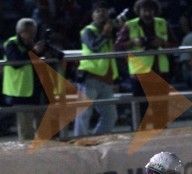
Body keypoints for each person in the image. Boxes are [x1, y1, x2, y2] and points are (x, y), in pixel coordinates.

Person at [115, 0, 177, 129]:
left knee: (161, 106)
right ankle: (138, 133)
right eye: (144, 9)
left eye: (150, 9)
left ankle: (161, 135)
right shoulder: (130, 25)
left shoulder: (162, 23)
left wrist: (162, 43)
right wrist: (133, 42)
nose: (147, 12)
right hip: (139, 72)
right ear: (138, 10)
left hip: (160, 70)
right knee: (140, 108)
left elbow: (175, 44)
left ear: (155, 10)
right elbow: (118, 47)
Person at [2, 18, 62, 140]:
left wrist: (48, 50)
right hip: (21, 92)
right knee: (26, 131)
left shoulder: (36, 43)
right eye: (28, 32)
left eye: (33, 32)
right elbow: (16, 62)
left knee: (44, 129)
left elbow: (59, 55)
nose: (31, 35)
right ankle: (27, 157)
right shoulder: (11, 44)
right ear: (20, 32)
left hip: (40, 91)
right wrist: (34, 51)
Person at [74, 2, 119, 137]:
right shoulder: (87, 31)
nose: (102, 14)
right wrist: (105, 34)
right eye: (98, 11)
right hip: (90, 78)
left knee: (111, 115)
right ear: (92, 15)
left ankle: (97, 139)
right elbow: (94, 47)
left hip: (106, 79)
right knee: (84, 114)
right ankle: (79, 141)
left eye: (104, 11)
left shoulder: (110, 32)